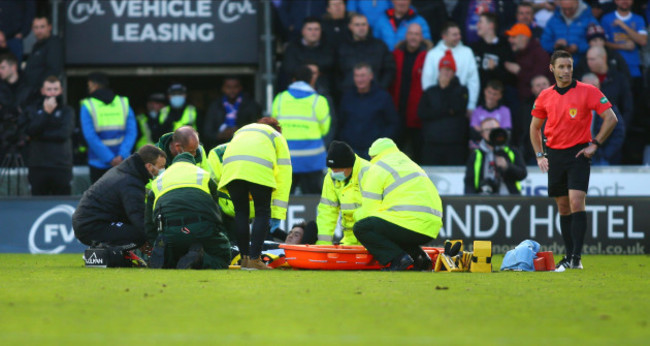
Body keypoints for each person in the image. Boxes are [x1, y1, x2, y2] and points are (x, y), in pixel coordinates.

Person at [530, 50, 618, 271]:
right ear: (552, 68)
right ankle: (569, 256)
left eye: (569, 66)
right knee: (562, 206)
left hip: (579, 153)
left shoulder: (588, 91)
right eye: (561, 67)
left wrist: (595, 144)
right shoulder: (545, 96)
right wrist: (540, 155)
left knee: (576, 201)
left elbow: (611, 118)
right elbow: (534, 127)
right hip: (555, 155)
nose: (566, 71)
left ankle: (576, 258)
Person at [353, 138, 442, 271]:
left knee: (362, 227)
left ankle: (398, 260)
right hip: (432, 226)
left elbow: (369, 211)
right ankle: (420, 258)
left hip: (409, 223)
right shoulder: (411, 163)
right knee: (391, 226)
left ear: (373, 155)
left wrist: (354, 216)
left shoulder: (377, 168)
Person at [218, 118, 292, 270]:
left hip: (232, 170)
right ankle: (255, 259)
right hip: (258, 169)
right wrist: (277, 211)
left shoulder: (243, 130)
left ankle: (245, 259)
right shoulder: (277, 136)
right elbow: (284, 175)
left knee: (241, 212)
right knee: (262, 212)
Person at [73, 145, 166, 254]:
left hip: (89, 223)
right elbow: (139, 217)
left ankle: (111, 252)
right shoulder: (130, 182)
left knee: (135, 232)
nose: (162, 171)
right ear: (149, 166)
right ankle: (105, 251)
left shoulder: (127, 172)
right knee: (140, 236)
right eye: (161, 167)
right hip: (91, 226)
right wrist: (156, 242)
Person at [145, 152, 231, 269]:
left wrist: (155, 241)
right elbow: (216, 213)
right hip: (200, 228)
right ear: (193, 164)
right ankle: (200, 259)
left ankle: (165, 257)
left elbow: (149, 223)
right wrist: (218, 233)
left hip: (169, 231)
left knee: (173, 254)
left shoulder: (158, 181)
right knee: (222, 257)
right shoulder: (203, 175)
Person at [272, 65, 330, 194]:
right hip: (312, 160)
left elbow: (273, 127)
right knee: (313, 200)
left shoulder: (279, 99)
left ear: (293, 80)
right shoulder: (319, 101)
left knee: (283, 199)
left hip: (285, 160)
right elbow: (325, 130)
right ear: (312, 80)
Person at [80, 72, 137, 183]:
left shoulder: (87, 105)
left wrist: (109, 158)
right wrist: (121, 155)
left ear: (93, 84)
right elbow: (132, 132)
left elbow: (90, 136)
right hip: (122, 162)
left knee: (100, 199)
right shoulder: (123, 102)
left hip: (98, 163)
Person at [418, 49, 470, 165]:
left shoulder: (461, 90)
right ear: (439, 70)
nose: (446, 73)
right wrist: (447, 111)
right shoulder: (429, 92)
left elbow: (458, 108)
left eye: (450, 70)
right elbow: (422, 113)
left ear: (454, 73)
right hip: (432, 143)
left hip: (454, 144)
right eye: (444, 69)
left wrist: (447, 89)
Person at [338, 63, 400, 160]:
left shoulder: (383, 97)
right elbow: (341, 122)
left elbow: (392, 124)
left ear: (371, 76)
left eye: (362, 75)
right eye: (356, 76)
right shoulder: (347, 97)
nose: (359, 79)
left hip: (375, 152)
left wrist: (380, 144)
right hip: (351, 150)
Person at [24, 76, 74, 195]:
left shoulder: (67, 111)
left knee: (62, 204)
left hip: (61, 166)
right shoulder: (32, 110)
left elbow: (63, 134)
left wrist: (38, 135)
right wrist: (46, 113)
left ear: (61, 90)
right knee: (37, 206)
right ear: (42, 91)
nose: (52, 93)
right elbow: (30, 131)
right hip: (38, 166)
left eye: (55, 89)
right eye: (49, 89)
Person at [389, 23, 432, 162]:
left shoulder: (428, 57)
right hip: (397, 112)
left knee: (418, 154)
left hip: (417, 115)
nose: (413, 37)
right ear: (406, 36)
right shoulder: (396, 54)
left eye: (417, 34)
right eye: (411, 34)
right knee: (394, 155)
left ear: (422, 37)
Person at [315, 141, 370, 245]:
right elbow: (327, 211)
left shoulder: (368, 173)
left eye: (338, 169)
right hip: (349, 240)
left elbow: (374, 208)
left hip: (370, 239)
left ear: (350, 165)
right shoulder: (330, 176)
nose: (334, 173)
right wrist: (322, 244)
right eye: (332, 169)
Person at [421, 21, 479, 116]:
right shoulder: (432, 54)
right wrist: (433, 104)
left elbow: (473, 81)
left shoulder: (467, 52)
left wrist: (471, 105)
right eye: (454, 35)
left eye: (459, 34)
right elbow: (427, 82)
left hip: (460, 105)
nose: (458, 37)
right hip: (437, 107)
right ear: (444, 36)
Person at [464, 118, 527, 195]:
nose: (491, 132)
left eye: (494, 129)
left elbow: (523, 174)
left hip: (510, 199)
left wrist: (507, 166)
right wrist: (470, 201)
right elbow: (469, 182)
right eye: (487, 130)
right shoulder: (476, 155)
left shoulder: (511, 151)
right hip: (483, 199)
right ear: (482, 134)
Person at [337, 13, 396, 91]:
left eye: (364, 24)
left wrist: (381, 88)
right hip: (348, 94)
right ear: (350, 27)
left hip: (375, 93)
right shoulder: (342, 47)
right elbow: (336, 73)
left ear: (368, 26)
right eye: (357, 25)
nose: (361, 28)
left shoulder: (380, 46)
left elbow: (389, 69)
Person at [202, 76, 262, 149]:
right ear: (223, 88)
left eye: (235, 87)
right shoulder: (215, 106)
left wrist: (238, 131)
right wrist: (220, 135)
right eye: (228, 87)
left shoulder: (251, 105)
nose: (232, 90)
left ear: (240, 88)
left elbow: (257, 129)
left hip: (245, 147)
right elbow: (207, 132)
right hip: (219, 148)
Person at [280, 17, 336, 93]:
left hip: (322, 88)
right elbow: (289, 67)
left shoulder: (328, 46)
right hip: (298, 87)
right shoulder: (293, 47)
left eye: (316, 29)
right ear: (303, 31)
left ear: (321, 31)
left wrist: (304, 66)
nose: (313, 32)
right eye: (310, 29)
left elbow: (330, 63)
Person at [581, 73, 626, 165]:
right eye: (587, 87)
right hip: (578, 154)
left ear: (599, 87)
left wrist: (605, 154)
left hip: (600, 156)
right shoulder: (572, 106)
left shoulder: (609, 107)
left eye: (594, 87)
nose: (592, 90)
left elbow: (619, 133)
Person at [583, 46, 634, 127]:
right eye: (588, 59)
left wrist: (621, 129)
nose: (589, 62)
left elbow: (627, 107)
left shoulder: (619, 79)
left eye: (592, 59)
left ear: (603, 58)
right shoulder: (585, 79)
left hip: (614, 129)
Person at [600, 0, 647, 81]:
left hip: (634, 66)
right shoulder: (606, 19)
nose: (625, 1)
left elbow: (643, 41)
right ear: (615, 1)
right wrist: (622, 46)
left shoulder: (639, 19)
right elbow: (602, 42)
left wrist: (623, 25)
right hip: (614, 65)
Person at [505, 23, 553, 101]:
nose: (509, 40)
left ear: (524, 38)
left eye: (513, 37)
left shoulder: (539, 54)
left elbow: (538, 78)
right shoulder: (518, 53)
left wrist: (519, 72)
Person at [471, 12, 517, 95]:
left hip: (499, 97)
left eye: (481, 22)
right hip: (478, 95)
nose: (477, 25)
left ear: (491, 25)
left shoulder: (504, 46)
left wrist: (495, 70)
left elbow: (510, 78)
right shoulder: (475, 47)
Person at [24, 16, 63, 91]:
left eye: (42, 27)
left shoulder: (54, 44)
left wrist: (41, 87)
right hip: (32, 89)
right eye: (36, 27)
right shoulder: (36, 46)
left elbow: (53, 69)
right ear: (32, 29)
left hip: (44, 91)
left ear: (49, 27)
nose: (39, 31)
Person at [519, 75, 551, 163]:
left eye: (544, 84)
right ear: (532, 89)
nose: (542, 87)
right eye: (538, 85)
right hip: (532, 155)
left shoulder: (561, 104)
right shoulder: (525, 108)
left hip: (557, 153)